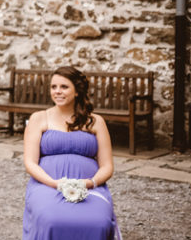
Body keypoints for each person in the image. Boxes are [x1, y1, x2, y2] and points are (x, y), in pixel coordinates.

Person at [23, 66, 119, 240]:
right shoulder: (39, 118)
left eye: (64, 87)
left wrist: (90, 183)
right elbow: (30, 163)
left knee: (99, 222)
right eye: (54, 87)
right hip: (47, 185)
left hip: (89, 187)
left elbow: (107, 166)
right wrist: (54, 184)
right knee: (51, 219)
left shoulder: (96, 121)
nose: (57, 92)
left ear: (77, 91)